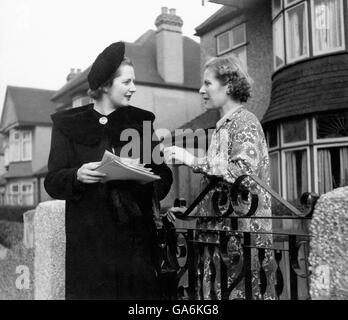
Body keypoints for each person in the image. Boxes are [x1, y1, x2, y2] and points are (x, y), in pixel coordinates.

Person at [44, 41, 173, 299]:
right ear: (104, 85)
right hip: (90, 249)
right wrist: (77, 175)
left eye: (133, 82)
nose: (133, 88)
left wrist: (142, 177)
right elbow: (53, 181)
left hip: (135, 247)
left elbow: (165, 177)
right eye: (126, 82)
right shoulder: (69, 125)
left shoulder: (141, 122)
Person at [164, 55, 275, 300]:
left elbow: (241, 172)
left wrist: (192, 160)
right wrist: (192, 210)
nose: (201, 90)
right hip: (222, 239)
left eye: (208, 83)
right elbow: (219, 187)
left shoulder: (245, 122)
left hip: (240, 241)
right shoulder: (223, 126)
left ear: (228, 85)